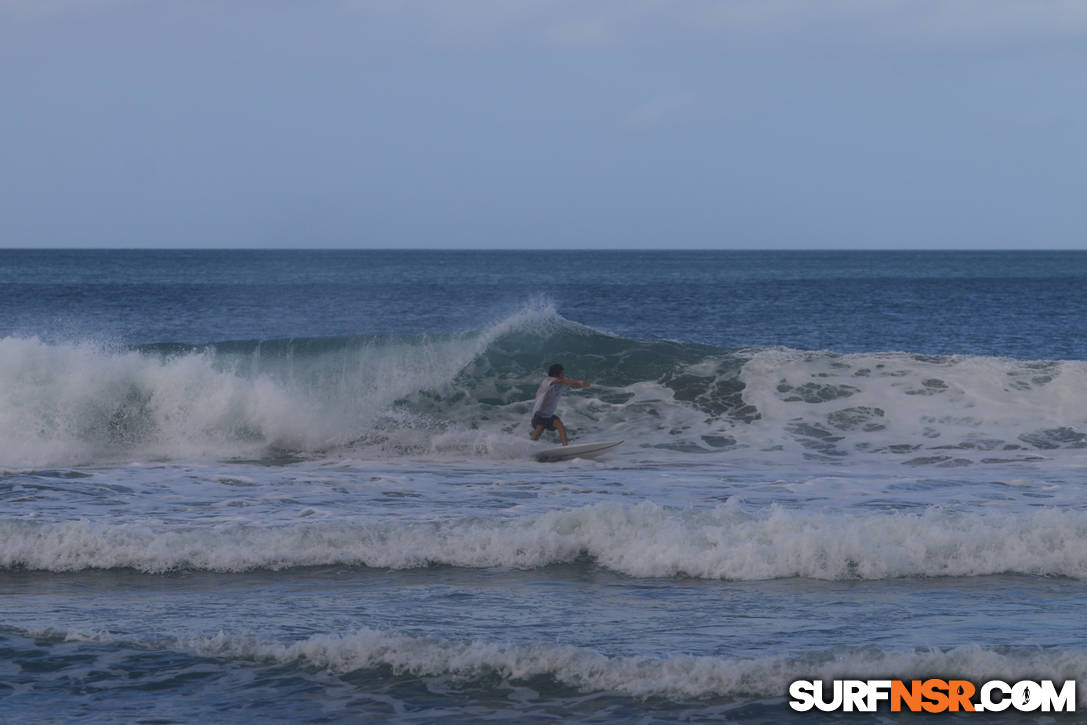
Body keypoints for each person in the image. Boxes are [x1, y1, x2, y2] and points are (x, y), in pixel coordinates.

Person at [529, 363, 589, 446]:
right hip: (538, 415)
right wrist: (578, 381)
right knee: (540, 428)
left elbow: (572, 386)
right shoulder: (547, 381)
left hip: (548, 416)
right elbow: (560, 380)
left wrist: (583, 385)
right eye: (562, 373)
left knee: (559, 425)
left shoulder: (561, 385)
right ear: (556, 373)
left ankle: (565, 447)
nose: (563, 374)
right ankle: (529, 447)